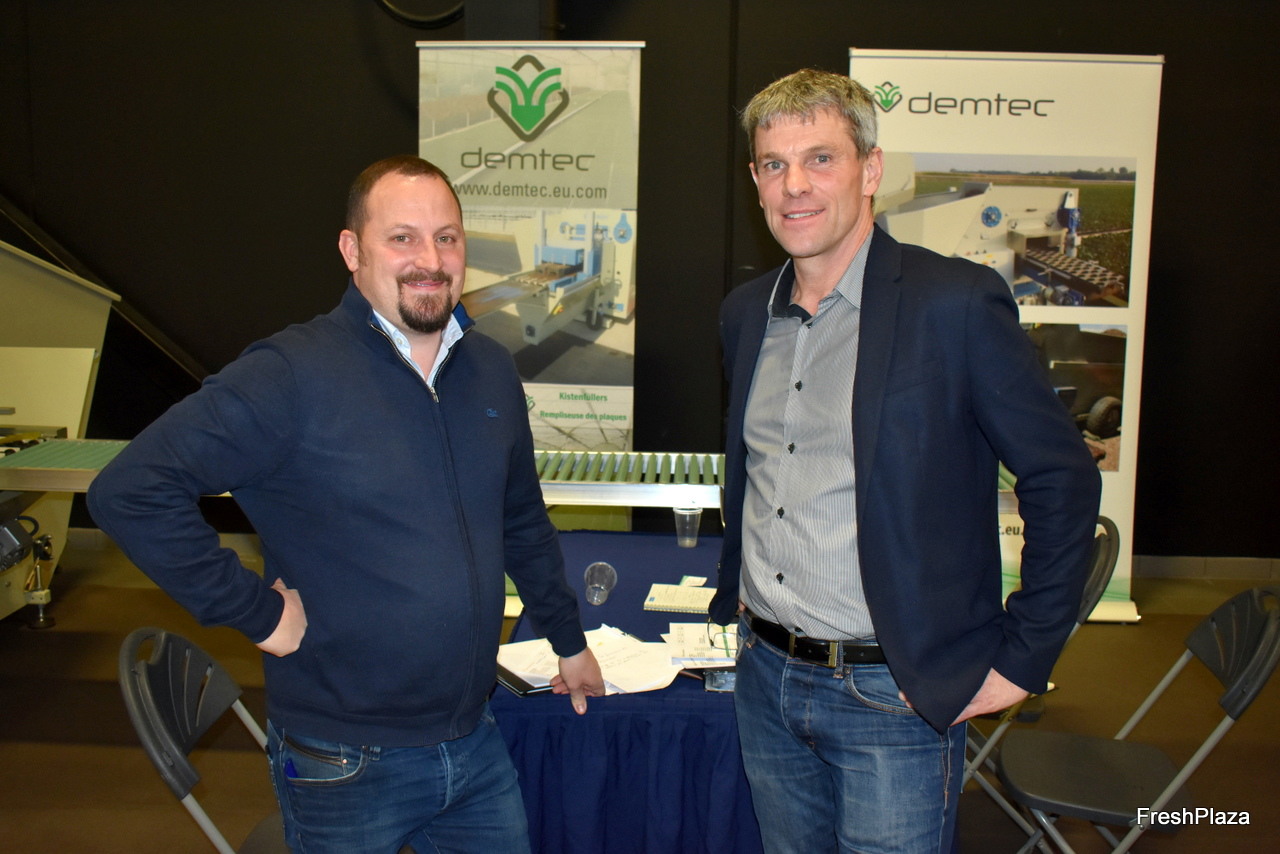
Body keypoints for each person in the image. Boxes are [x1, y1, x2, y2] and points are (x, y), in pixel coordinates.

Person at [88, 155, 604, 853]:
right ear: (352, 250)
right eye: (402, 238)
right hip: (345, 760)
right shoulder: (290, 374)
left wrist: (568, 640)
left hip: (473, 739)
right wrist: (256, 613)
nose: (430, 261)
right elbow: (130, 490)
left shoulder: (489, 370)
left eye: (447, 238)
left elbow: (520, 520)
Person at [709, 70, 1101, 853]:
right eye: (774, 164)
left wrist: (1024, 656)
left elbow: (1062, 477)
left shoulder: (954, 304)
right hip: (766, 678)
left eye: (820, 159)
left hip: (894, 693)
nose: (794, 186)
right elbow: (761, 476)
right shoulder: (746, 314)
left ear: (871, 170)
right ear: (755, 179)